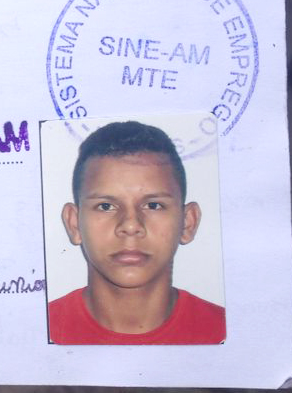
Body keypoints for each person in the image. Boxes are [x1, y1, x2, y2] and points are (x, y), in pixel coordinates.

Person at [48, 120, 225, 344]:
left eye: (153, 205)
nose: (131, 226)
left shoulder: (228, 333)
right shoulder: (36, 332)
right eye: (105, 206)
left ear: (188, 222)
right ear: (74, 224)